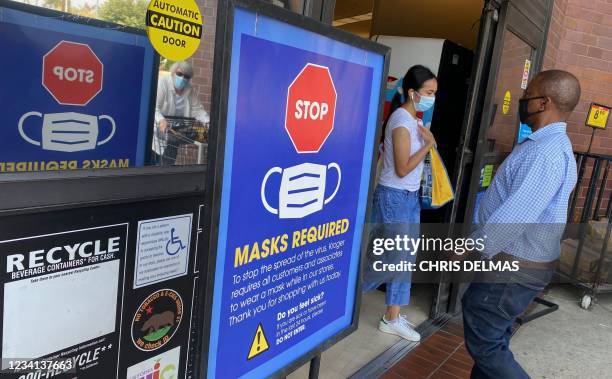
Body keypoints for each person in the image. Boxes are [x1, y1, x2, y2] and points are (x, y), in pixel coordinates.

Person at [462, 70, 581, 379]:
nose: (521, 100)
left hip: (513, 267)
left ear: (544, 102)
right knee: (494, 336)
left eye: (527, 95)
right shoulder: (547, 146)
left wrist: (467, 250)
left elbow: (514, 218)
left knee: (486, 342)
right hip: (520, 263)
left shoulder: (545, 152)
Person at [363, 65, 437, 342]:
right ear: (412, 92)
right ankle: (341, 298)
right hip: (394, 196)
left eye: (434, 93)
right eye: (429, 92)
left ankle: (391, 318)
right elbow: (403, 168)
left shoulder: (413, 120)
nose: (432, 98)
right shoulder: (401, 121)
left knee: (402, 259)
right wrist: (428, 145)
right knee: (388, 259)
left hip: (408, 197)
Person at [153, 61, 210, 164]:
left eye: (186, 76)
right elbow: (154, 107)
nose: (182, 78)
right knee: (154, 162)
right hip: (158, 132)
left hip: (175, 134)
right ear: (173, 72)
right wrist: (161, 120)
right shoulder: (163, 83)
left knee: (167, 165)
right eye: (179, 74)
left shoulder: (189, 90)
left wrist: (208, 122)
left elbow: (197, 110)